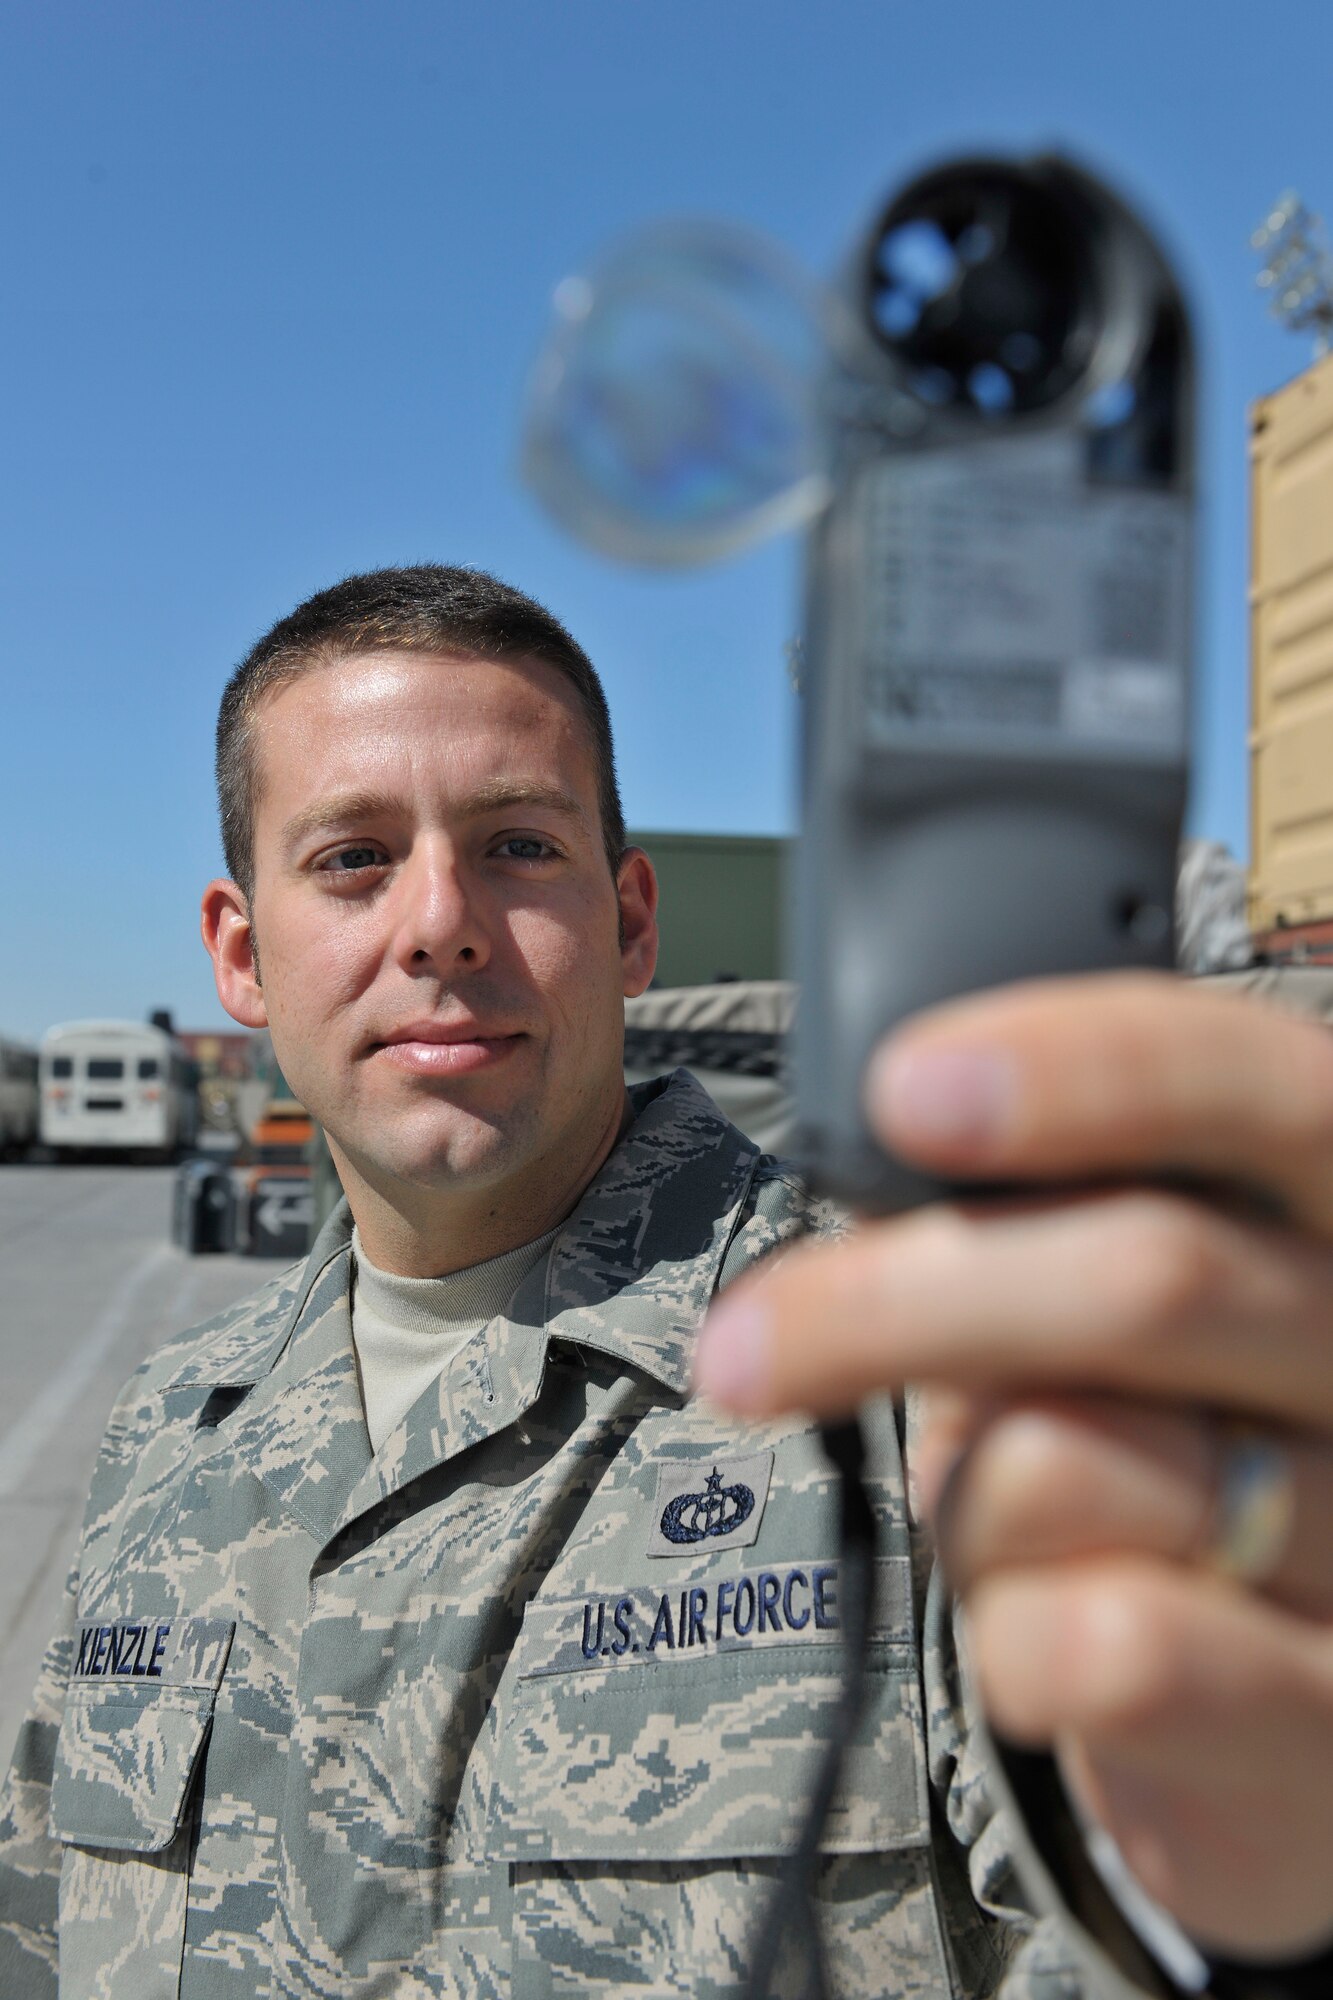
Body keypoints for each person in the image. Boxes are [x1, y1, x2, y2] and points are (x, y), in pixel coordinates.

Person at [0, 562, 1325, 1998]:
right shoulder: (169, 1437)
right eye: (352, 859)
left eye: (517, 847)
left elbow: (1173, 1921)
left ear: (633, 924)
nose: (439, 922)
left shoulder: (912, 1372)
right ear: (243, 956)